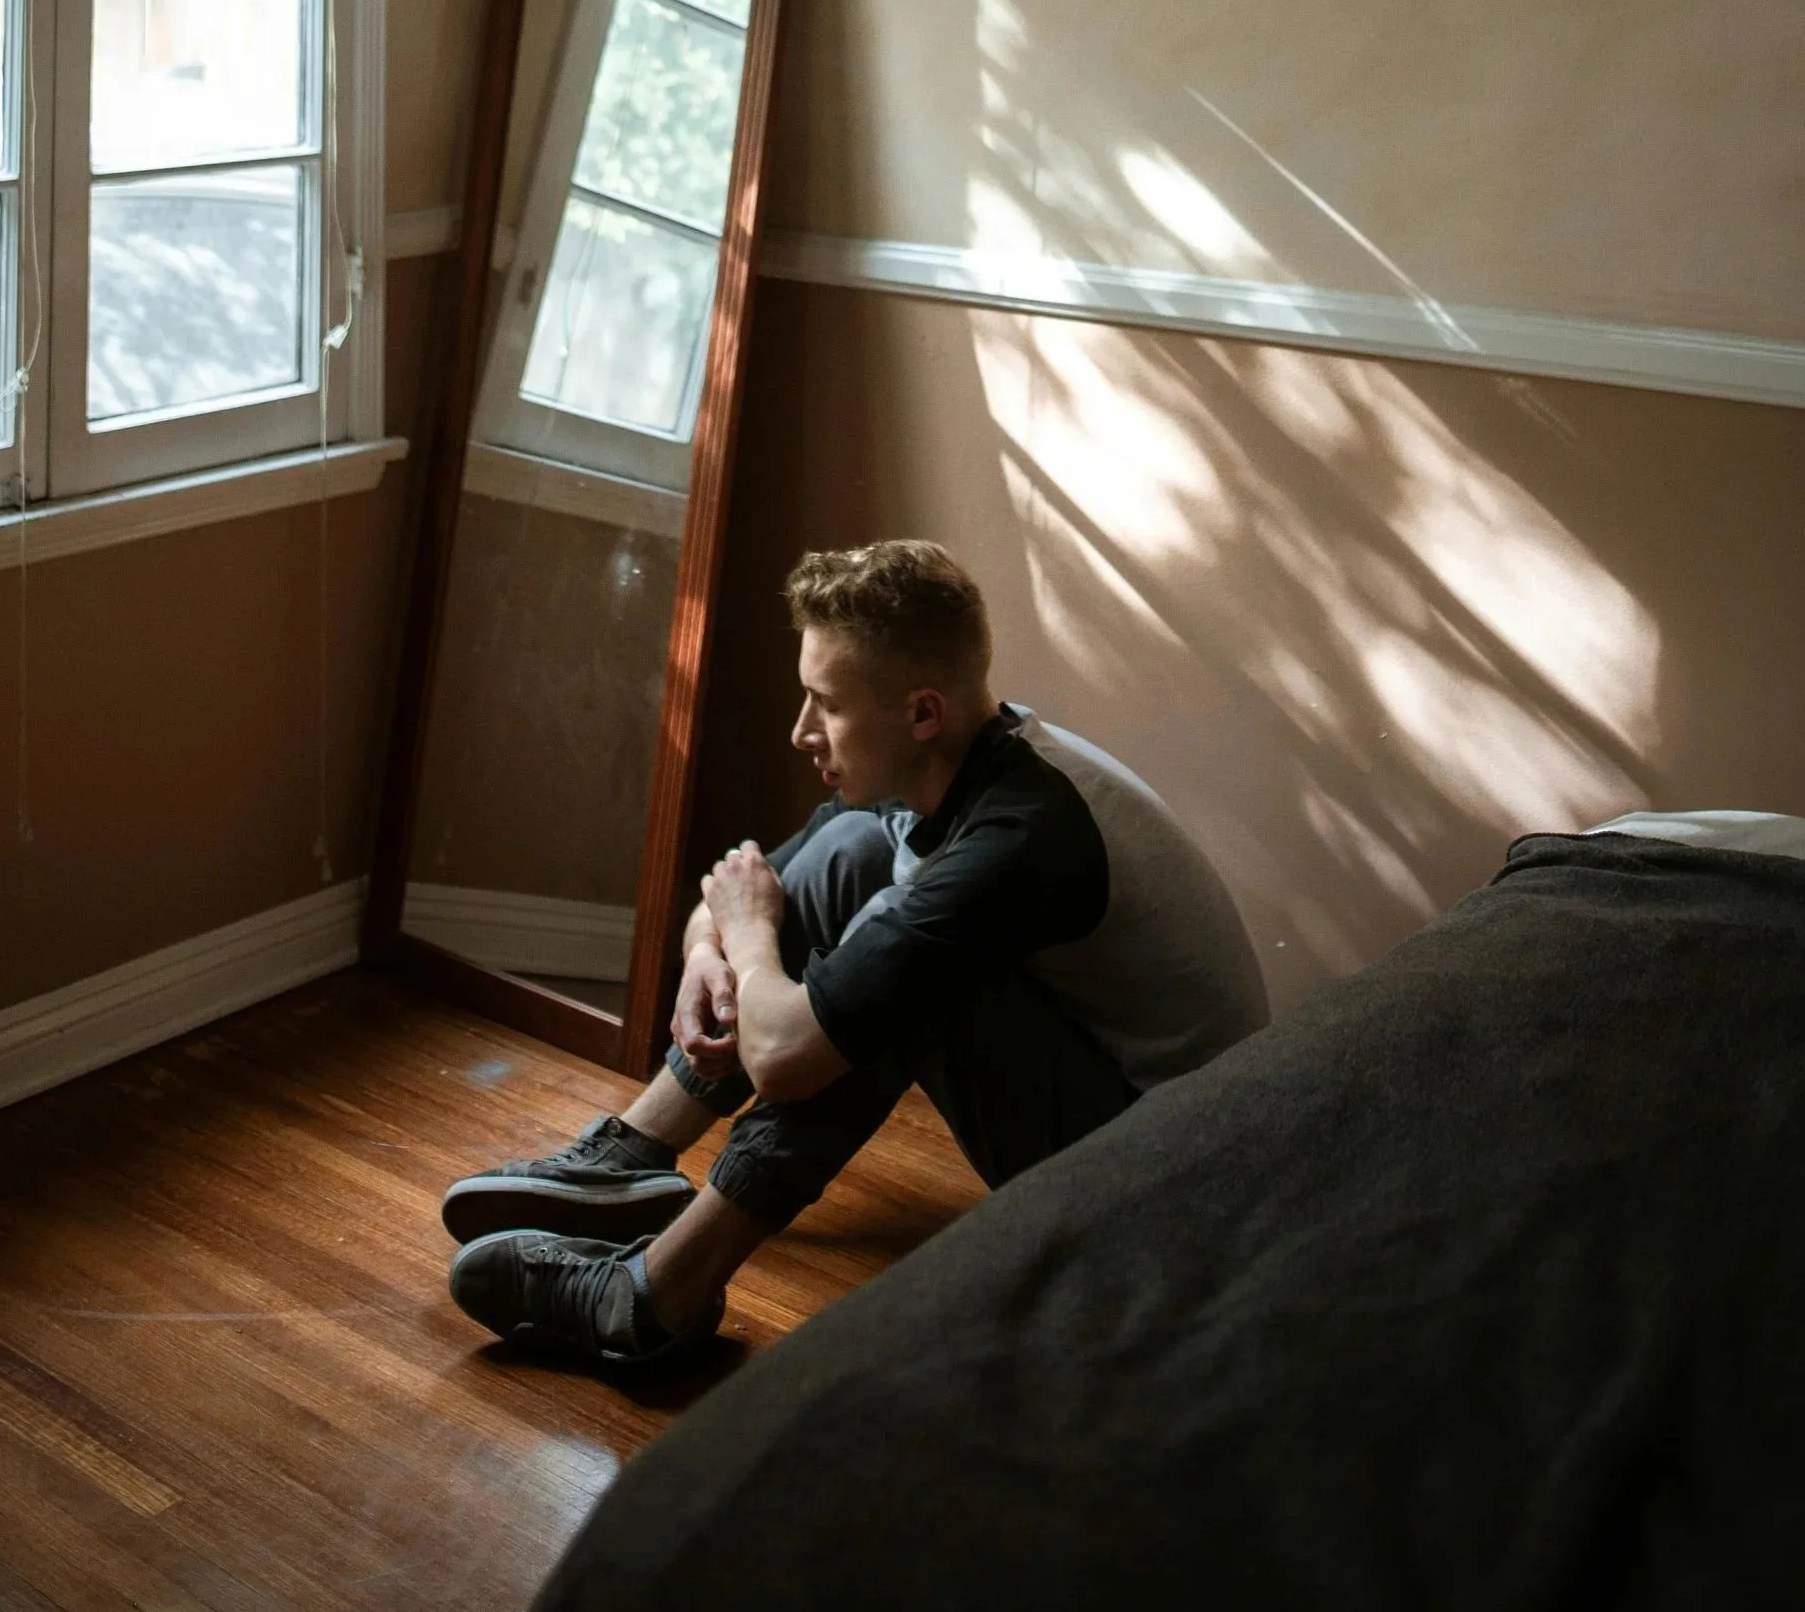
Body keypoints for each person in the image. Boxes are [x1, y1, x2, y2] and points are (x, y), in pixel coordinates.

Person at [442, 539, 1269, 1366]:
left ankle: (652, 1296)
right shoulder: (949, 767)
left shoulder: (1019, 841)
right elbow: (741, 887)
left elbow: (781, 1055)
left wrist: (748, 936)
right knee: (849, 857)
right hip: (1103, 1111)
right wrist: (708, 952)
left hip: (1165, 1190)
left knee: (906, 992)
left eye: (825, 704)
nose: (800, 731)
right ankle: (634, 1154)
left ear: (920, 713)